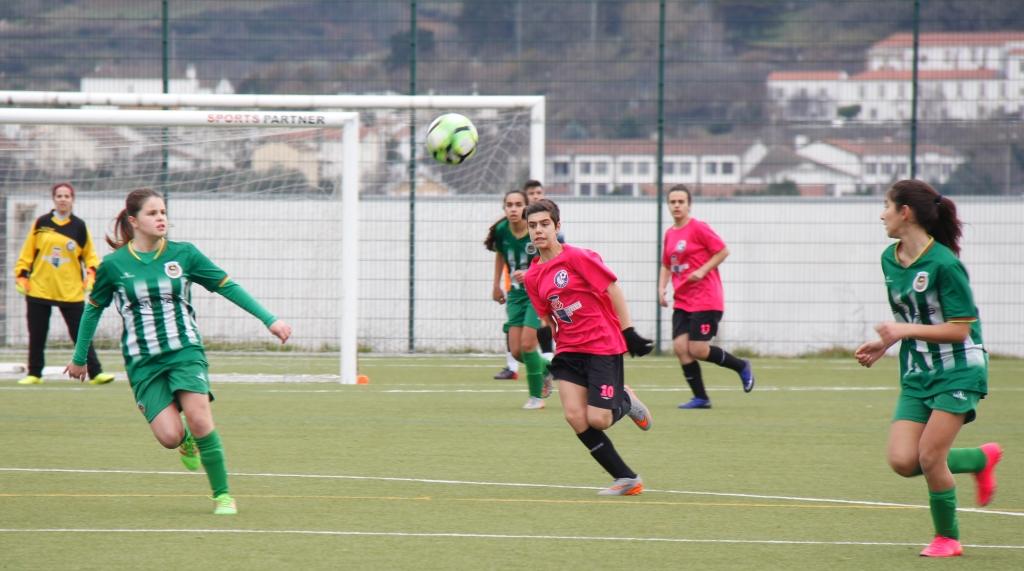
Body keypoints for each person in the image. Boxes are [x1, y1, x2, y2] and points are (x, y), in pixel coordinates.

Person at [65, 188, 292, 515]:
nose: (161, 218)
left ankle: (223, 496)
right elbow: (92, 310)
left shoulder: (184, 254)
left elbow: (227, 286)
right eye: (152, 213)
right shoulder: (113, 266)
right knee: (170, 436)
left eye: (163, 212)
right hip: (143, 363)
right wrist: (79, 358)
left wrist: (269, 319)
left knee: (200, 419)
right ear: (133, 221)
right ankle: (184, 440)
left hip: (185, 352)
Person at [855, 180, 1002, 558]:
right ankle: (979, 459)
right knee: (904, 460)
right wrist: (885, 342)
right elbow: (911, 317)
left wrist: (901, 331)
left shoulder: (946, 265)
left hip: (959, 369)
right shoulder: (890, 259)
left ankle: (947, 539)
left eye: (887, 206)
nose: (882, 214)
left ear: (905, 212)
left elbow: (960, 329)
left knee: (931, 457)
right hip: (918, 371)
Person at [524, 199, 654, 495]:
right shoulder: (532, 275)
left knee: (599, 419)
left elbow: (612, 288)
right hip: (569, 350)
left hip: (601, 345)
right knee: (574, 416)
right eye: (532, 226)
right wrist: (548, 359)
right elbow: (547, 319)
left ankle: (625, 400)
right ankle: (626, 479)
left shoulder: (578, 257)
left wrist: (629, 332)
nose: (538, 230)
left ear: (557, 226)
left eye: (544, 224)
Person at [657, 184, 753, 409]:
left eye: (681, 202)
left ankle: (741, 366)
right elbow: (666, 264)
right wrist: (661, 288)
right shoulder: (670, 234)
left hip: (706, 299)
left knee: (698, 349)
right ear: (668, 205)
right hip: (683, 300)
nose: (677, 205)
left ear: (689, 205)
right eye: (673, 202)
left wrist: (702, 270)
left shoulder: (698, 228)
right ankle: (701, 398)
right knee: (680, 347)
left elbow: (722, 251)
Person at [13, 182, 114, 385]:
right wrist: (21, 275)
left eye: (67, 196)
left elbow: (90, 257)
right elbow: (27, 253)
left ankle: (96, 373)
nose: (63, 199)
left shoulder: (79, 226)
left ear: (72, 199)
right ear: (54, 199)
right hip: (39, 288)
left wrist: (91, 277)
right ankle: (34, 374)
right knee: (37, 334)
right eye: (59, 196)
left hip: (70, 290)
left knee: (81, 333)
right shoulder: (41, 223)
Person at [485, 189, 552, 409]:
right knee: (516, 351)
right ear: (504, 208)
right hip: (515, 295)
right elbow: (500, 255)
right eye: (509, 205)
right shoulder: (502, 230)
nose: (513, 209)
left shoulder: (535, 230)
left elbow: (550, 260)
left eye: (518, 204)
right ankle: (549, 368)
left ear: (526, 207)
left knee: (528, 344)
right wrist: (496, 285)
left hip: (537, 293)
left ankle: (536, 398)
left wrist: (531, 274)